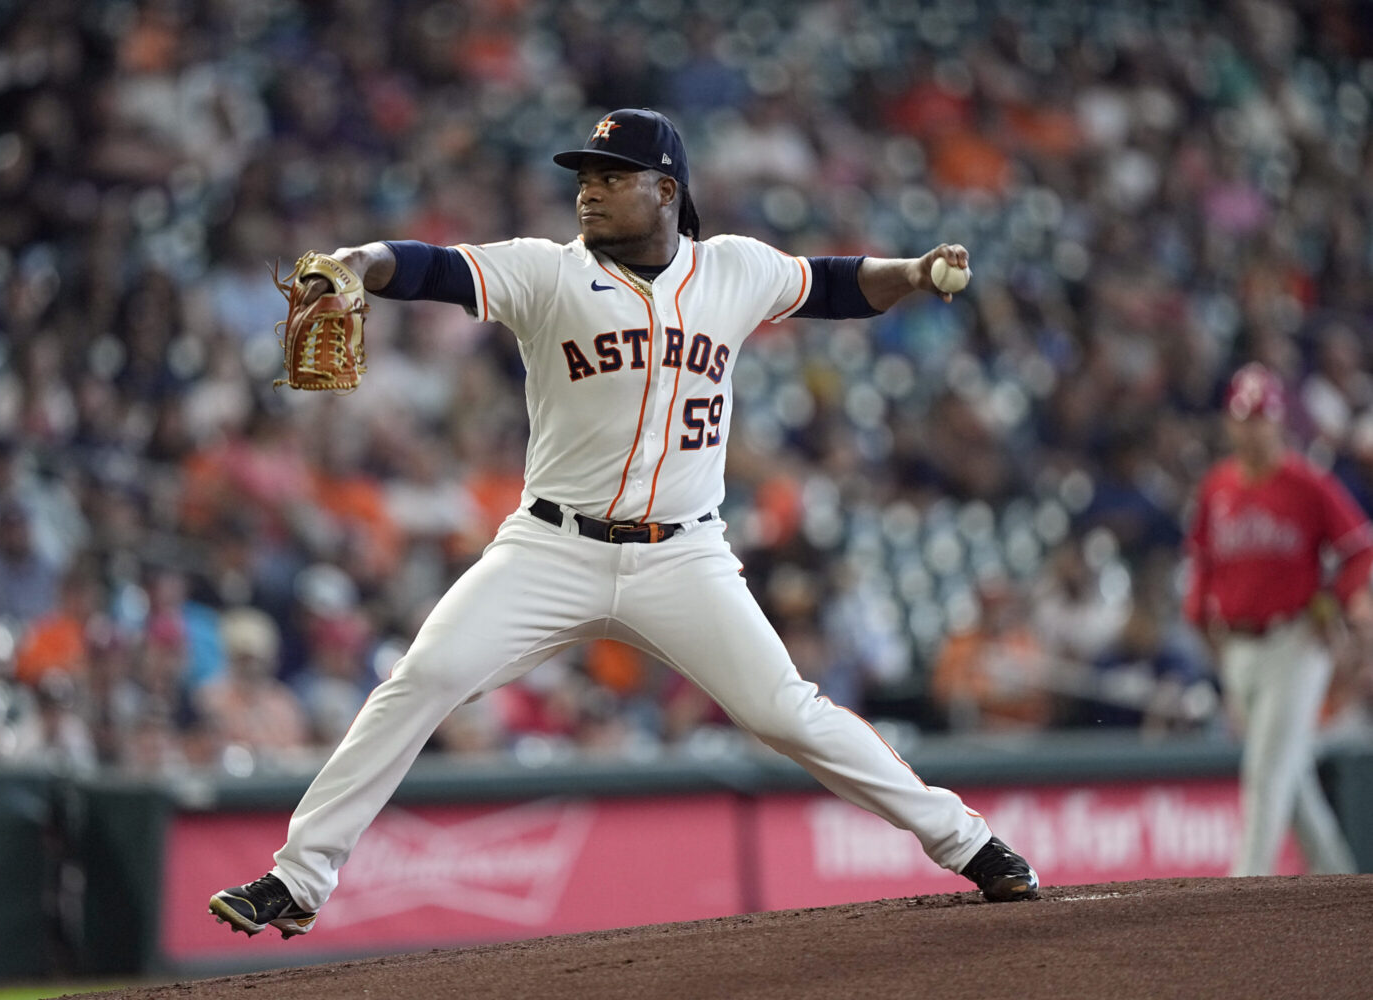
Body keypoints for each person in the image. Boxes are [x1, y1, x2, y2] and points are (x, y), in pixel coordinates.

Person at [208, 108, 1039, 940]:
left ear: (666, 190)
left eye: (612, 178)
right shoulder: (546, 272)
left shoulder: (733, 270)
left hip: (685, 557)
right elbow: (429, 269)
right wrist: (356, 261)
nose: (590, 193)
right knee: (419, 682)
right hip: (549, 548)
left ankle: (969, 843)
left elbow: (836, 284)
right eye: (586, 178)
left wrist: (918, 271)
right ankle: (300, 878)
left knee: (787, 712)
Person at [1184, 362, 1373, 877]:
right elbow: (1202, 560)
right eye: (1243, 418)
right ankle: (1343, 883)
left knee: (1266, 772)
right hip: (1238, 646)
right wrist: (1200, 616)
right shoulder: (1217, 485)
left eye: (1260, 418)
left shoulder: (1307, 483)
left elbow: (1358, 548)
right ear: (1229, 422)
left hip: (1295, 642)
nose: (1251, 429)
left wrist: (1336, 600)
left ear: (1279, 421)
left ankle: (1243, 888)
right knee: (1293, 779)